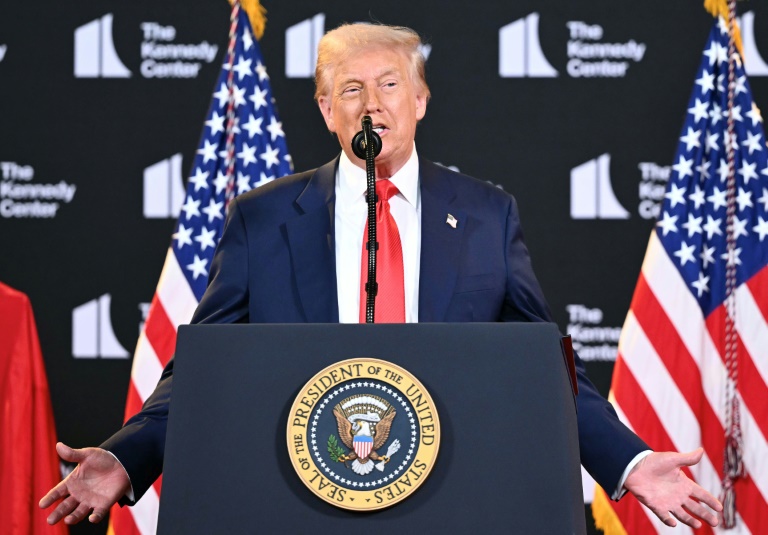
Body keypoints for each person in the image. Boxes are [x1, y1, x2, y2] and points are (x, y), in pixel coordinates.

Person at [40, 23, 723, 529]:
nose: (373, 103)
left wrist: (630, 462)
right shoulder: (263, 219)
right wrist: (129, 456)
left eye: (389, 84)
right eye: (351, 89)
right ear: (325, 109)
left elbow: (540, 368)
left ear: (421, 99)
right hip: (300, 503)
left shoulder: (486, 216)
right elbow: (204, 370)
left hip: (451, 503)